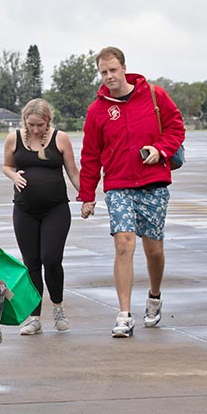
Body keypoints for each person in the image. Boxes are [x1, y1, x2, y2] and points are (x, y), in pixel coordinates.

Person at [79, 46, 186, 338]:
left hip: (153, 184)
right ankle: (124, 314)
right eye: (103, 72)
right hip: (118, 186)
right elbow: (90, 156)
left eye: (113, 70)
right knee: (124, 243)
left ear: (124, 68)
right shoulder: (97, 110)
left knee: (154, 250)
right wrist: (87, 195)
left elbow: (176, 128)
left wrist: (160, 149)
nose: (109, 76)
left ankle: (154, 296)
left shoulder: (154, 95)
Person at [2, 98, 80, 335]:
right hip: (24, 210)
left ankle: (58, 307)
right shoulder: (14, 138)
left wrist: (86, 196)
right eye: (31, 124)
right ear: (25, 120)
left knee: (51, 259)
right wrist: (13, 176)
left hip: (55, 209)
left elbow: (73, 172)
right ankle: (34, 317)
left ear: (48, 121)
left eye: (40, 125)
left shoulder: (60, 139)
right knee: (31, 263)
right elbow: (6, 166)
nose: (35, 129)